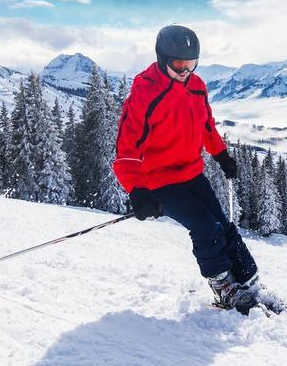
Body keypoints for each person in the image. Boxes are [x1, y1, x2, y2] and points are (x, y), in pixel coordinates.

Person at [113, 24, 263, 315]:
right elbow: (126, 150)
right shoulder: (145, 92)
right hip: (159, 181)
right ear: (161, 58)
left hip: (192, 172)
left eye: (190, 65)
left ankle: (249, 280)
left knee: (223, 224)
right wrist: (138, 191)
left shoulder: (197, 86)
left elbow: (206, 126)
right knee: (205, 227)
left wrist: (221, 155)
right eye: (177, 65)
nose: (184, 71)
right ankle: (223, 286)